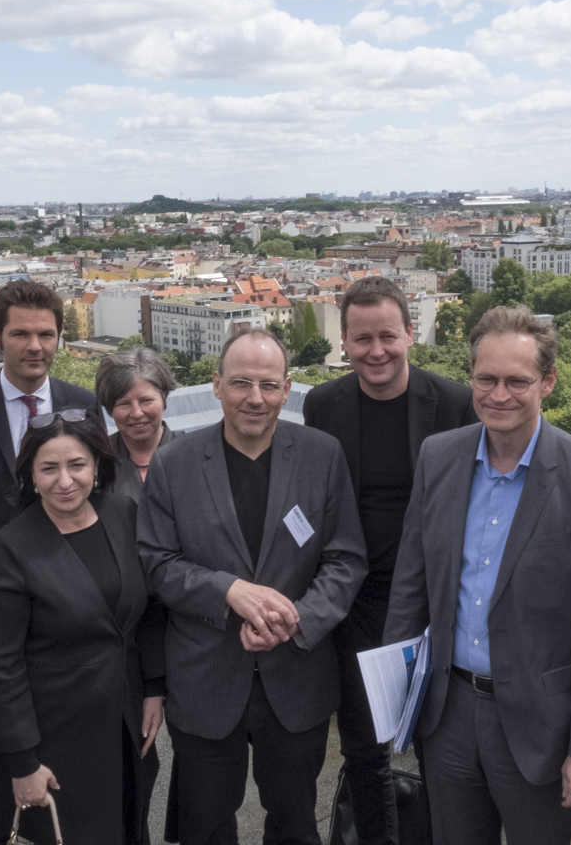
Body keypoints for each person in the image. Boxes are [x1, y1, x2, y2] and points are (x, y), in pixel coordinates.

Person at [383, 305, 571, 845]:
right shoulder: (439, 456)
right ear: (470, 376)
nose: (499, 394)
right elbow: (411, 583)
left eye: (517, 381)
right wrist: (395, 704)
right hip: (446, 713)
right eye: (486, 379)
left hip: (539, 728)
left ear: (548, 381)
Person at [137, 330, 367, 845]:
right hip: (205, 681)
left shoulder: (322, 455)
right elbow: (155, 563)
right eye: (240, 383)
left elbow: (345, 560)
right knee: (205, 824)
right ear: (216, 385)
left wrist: (297, 621)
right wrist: (227, 592)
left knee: (294, 824)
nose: (254, 398)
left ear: (287, 390)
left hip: (297, 680)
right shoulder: (174, 464)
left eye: (268, 385)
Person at [301, 275, 477, 845]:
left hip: (434, 604)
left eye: (387, 336)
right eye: (361, 339)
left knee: (440, 747)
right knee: (363, 744)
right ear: (344, 344)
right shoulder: (323, 404)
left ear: (410, 333)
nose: (375, 351)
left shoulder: (454, 402)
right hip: (356, 604)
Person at [0, 409, 166, 845]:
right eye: (49, 468)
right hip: (54, 743)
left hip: (123, 723)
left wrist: (154, 685)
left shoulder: (122, 513)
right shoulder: (10, 550)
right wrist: (23, 762)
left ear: (97, 466)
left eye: (77, 465)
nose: (65, 480)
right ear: (31, 476)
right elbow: (0, 666)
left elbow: (149, 609)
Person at [0, 280, 101, 530]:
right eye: (21, 334)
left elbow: (97, 483)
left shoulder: (84, 404)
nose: (35, 346)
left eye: (46, 334)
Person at [96, 346, 179, 505]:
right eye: (124, 404)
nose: (137, 413)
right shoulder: (98, 461)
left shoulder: (192, 454)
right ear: (110, 409)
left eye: (146, 401)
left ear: (164, 400)